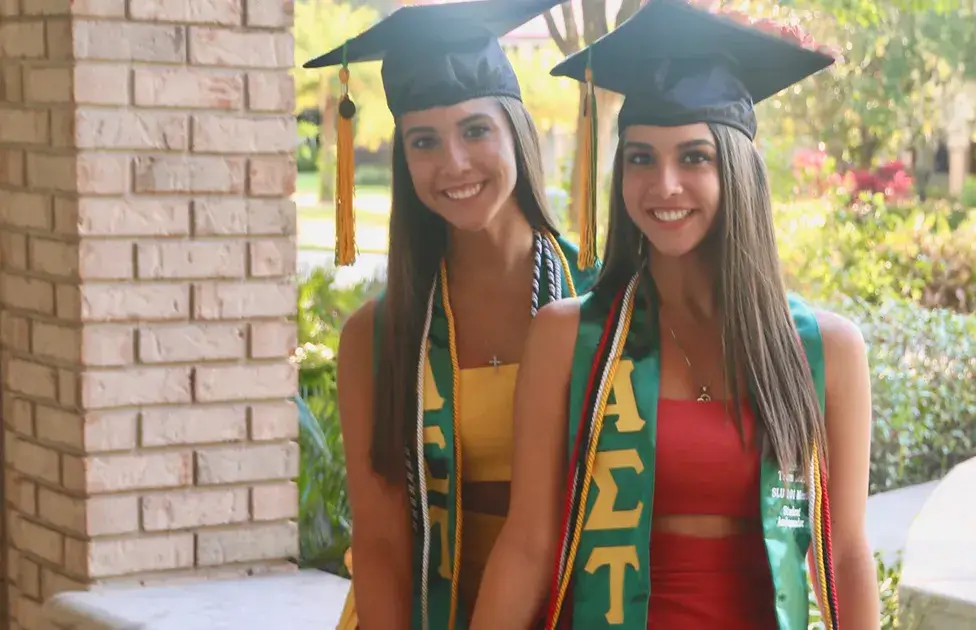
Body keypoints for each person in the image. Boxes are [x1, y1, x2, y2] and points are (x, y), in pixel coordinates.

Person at [471, 1, 878, 628]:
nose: (663, 186)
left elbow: (846, 553)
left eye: (694, 157)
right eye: (641, 158)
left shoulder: (824, 350)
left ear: (737, 171)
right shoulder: (572, 338)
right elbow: (528, 546)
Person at [302, 0, 597, 628]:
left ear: (516, 130)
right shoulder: (379, 336)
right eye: (424, 141)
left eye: (475, 130)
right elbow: (381, 550)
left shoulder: (608, 302)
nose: (454, 164)